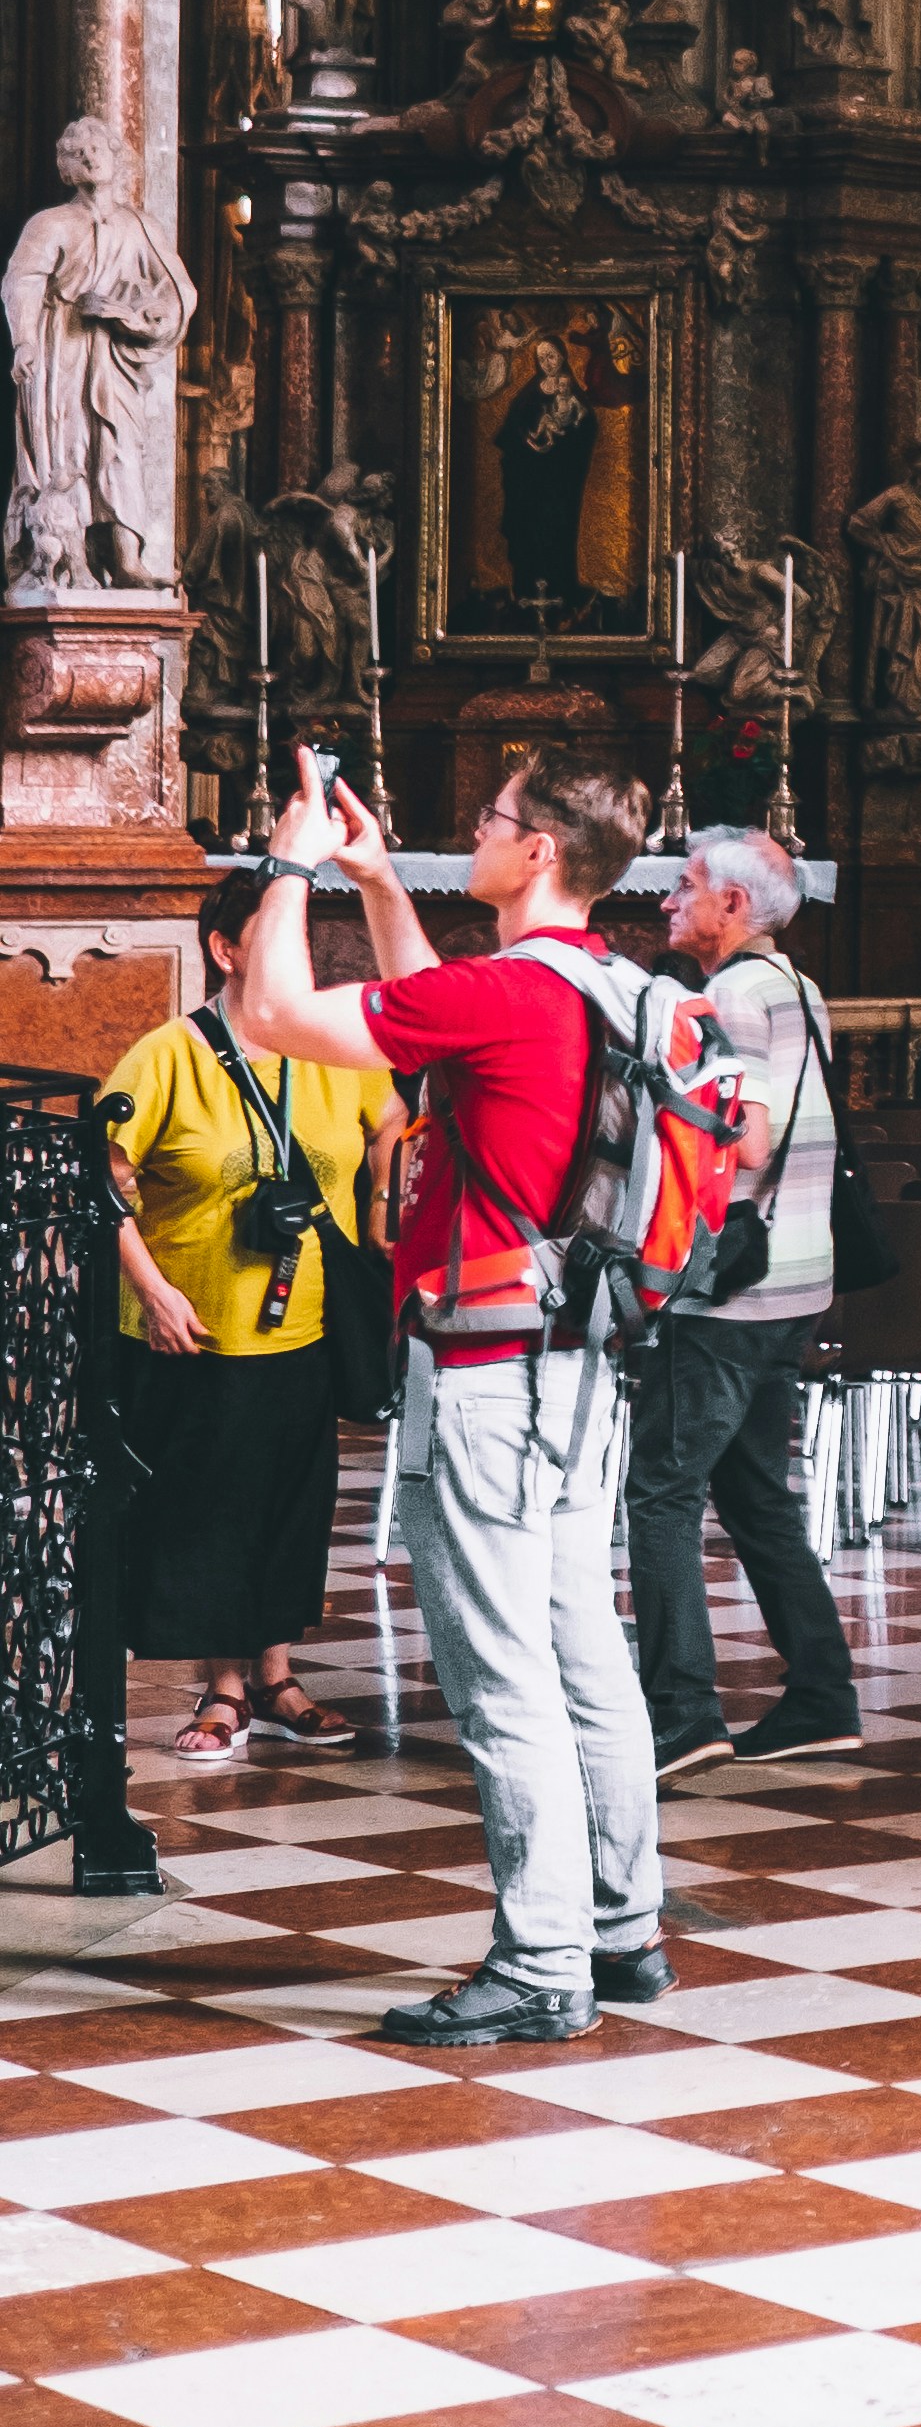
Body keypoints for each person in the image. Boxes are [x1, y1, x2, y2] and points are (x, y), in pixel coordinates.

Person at [236, 750, 688, 2050]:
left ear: (537, 852)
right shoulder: (613, 985)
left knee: (500, 1677)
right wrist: (377, 878)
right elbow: (435, 1011)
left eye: (490, 820)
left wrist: (292, 864)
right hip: (578, 1359)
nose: (470, 835)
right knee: (582, 1649)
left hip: (488, 1374)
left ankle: (540, 1961)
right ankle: (620, 1930)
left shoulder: (503, 992)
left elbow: (275, 1014)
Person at [97, 863, 394, 1767]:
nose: (297, 962)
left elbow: (390, 1123)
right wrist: (152, 1287)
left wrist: (380, 1201)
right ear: (227, 951)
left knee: (292, 1504)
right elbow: (97, 1178)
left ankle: (276, 1673)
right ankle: (224, 1687)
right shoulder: (166, 1055)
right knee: (211, 1508)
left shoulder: (332, 1050)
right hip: (193, 1326)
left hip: (303, 1323)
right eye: (276, 942)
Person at [627, 832, 861, 1780]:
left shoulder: (725, 995)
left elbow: (749, 1142)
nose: (667, 905)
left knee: (660, 1494)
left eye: (684, 890)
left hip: (731, 1293)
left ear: (732, 903)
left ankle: (682, 1717)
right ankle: (820, 1697)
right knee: (758, 1492)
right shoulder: (798, 985)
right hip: (802, 1275)